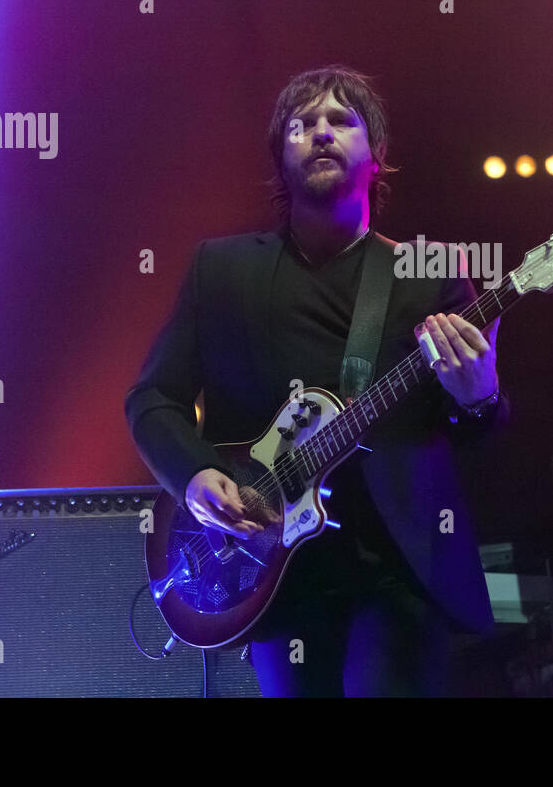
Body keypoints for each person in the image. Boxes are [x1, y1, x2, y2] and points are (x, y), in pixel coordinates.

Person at [124, 66, 508, 696]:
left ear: (376, 153)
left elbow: (474, 433)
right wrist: (192, 476)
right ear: (281, 155)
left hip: (398, 569)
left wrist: (480, 395)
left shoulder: (429, 271)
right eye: (301, 125)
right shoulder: (221, 269)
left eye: (341, 121)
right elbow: (153, 396)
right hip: (276, 573)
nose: (320, 133)